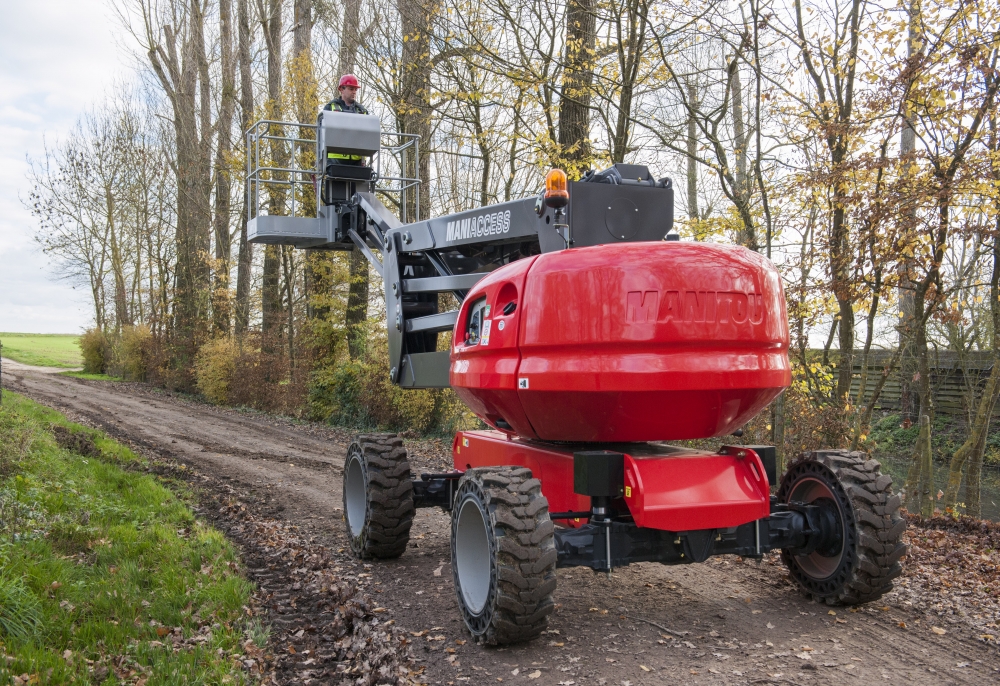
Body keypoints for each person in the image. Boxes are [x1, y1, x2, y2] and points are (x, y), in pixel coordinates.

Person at [323, 74, 370, 166]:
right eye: (351, 89)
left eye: (355, 89)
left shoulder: (362, 111)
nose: (354, 92)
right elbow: (322, 132)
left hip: (357, 162)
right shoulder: (330, 107)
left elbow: (367, 135)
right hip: (335, 161)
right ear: (341, 89)